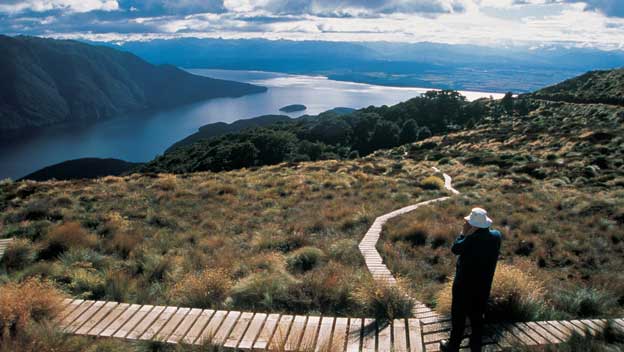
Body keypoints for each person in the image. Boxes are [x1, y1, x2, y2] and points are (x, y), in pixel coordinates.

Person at [440, 208, 502, 352]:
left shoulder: (469, 240)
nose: (465, 223)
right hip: (484, 285)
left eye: (468, 222)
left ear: (474, 226)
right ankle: (475, 345)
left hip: (463, 285)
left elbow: (455, 249)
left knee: (459, 315)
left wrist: (463, 233)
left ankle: (453, 345)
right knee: (477, 315)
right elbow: (489, 234)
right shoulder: (496, 236)